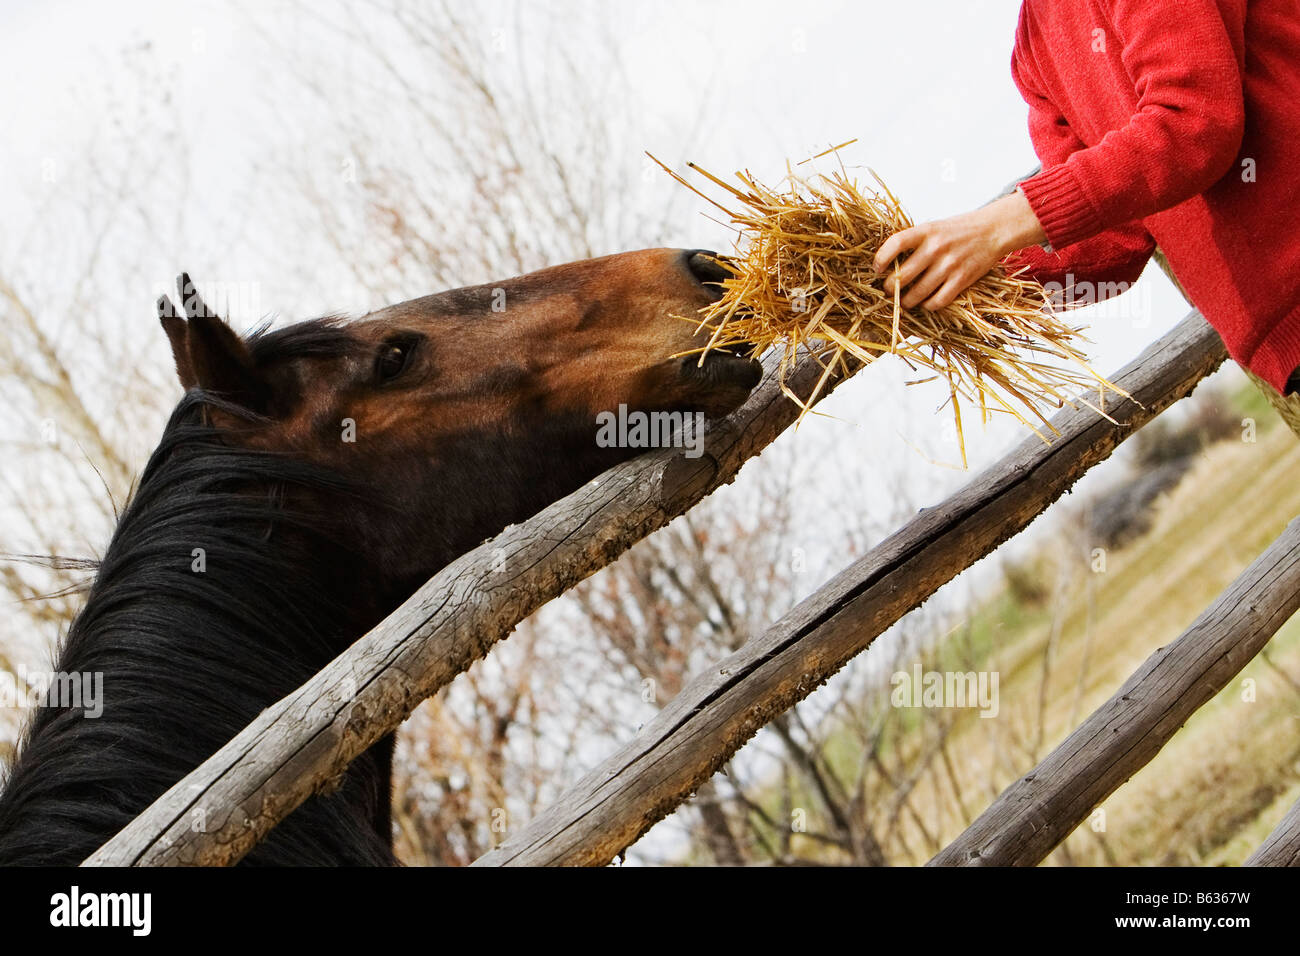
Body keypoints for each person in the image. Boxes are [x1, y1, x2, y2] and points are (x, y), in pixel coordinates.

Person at [873, 0, 1300, 395]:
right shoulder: (1033, 47)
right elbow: (1113, 240)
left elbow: (1195, 124)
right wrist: (953, 284)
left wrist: (993, 228)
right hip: (1283, 350)